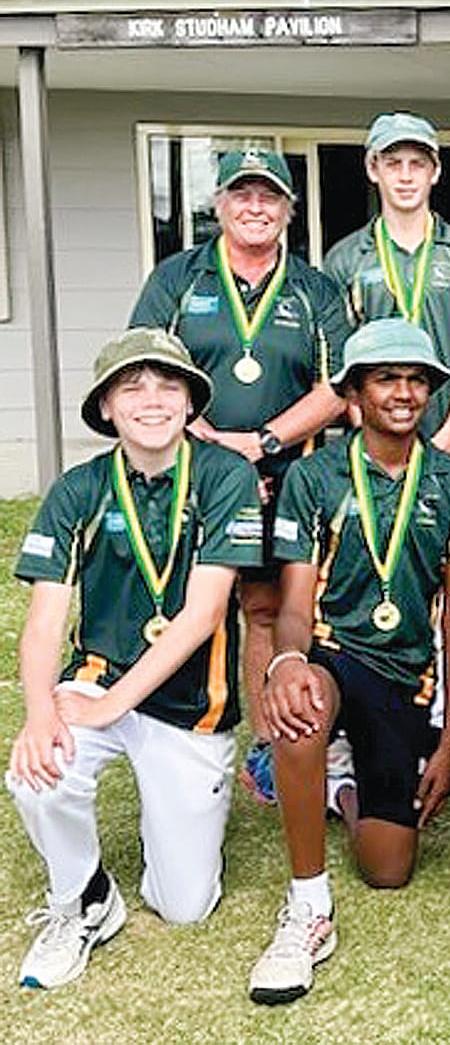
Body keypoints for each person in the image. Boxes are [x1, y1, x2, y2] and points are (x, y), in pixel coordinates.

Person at [7, 329, 263, 989]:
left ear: (189, 403)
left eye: (169, 386)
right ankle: (84, 897)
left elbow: (204, 613)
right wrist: (41, 714)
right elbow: (43, 624)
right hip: (99, 683)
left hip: (189, 706)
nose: (152, 401)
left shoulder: (224, 475)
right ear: (107, 408)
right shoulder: (79, 489)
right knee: (36, 771)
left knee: (185, 906)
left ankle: (167, 829)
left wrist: (117, 706)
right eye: (132, 387)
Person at [247, 318, 450, 1005]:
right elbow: (293, 601)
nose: (404, 393)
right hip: (332, 651)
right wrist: (286, 662)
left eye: (417, 380)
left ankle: (339, 784)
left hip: (404, 676)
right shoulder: (315, 476)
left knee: (387, 869)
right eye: (386, 378)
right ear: (353, 393)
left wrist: (448, 743)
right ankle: (307, 908)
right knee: (302, 703)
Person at [129, 148, 351, 769]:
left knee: (264, 607)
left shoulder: (314, 289)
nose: (256, 208)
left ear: (288, 209)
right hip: (188, 466)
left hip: (283, 472)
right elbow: (146, 368)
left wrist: (262, 445)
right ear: (219, 204)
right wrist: (211, 444)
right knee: (177, 601)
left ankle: (266, 742)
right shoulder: (177, 278)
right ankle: (174, 728)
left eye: (269, 197)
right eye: (243, 195)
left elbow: (337, 387)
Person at [323, 111, 450, 455]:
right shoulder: (345, 259)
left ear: (436, 171)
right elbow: (338, 365)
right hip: (371, 447)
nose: (405, 177)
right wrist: (372, 434)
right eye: (393, 164)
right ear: (373, 169)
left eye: (417, 164)